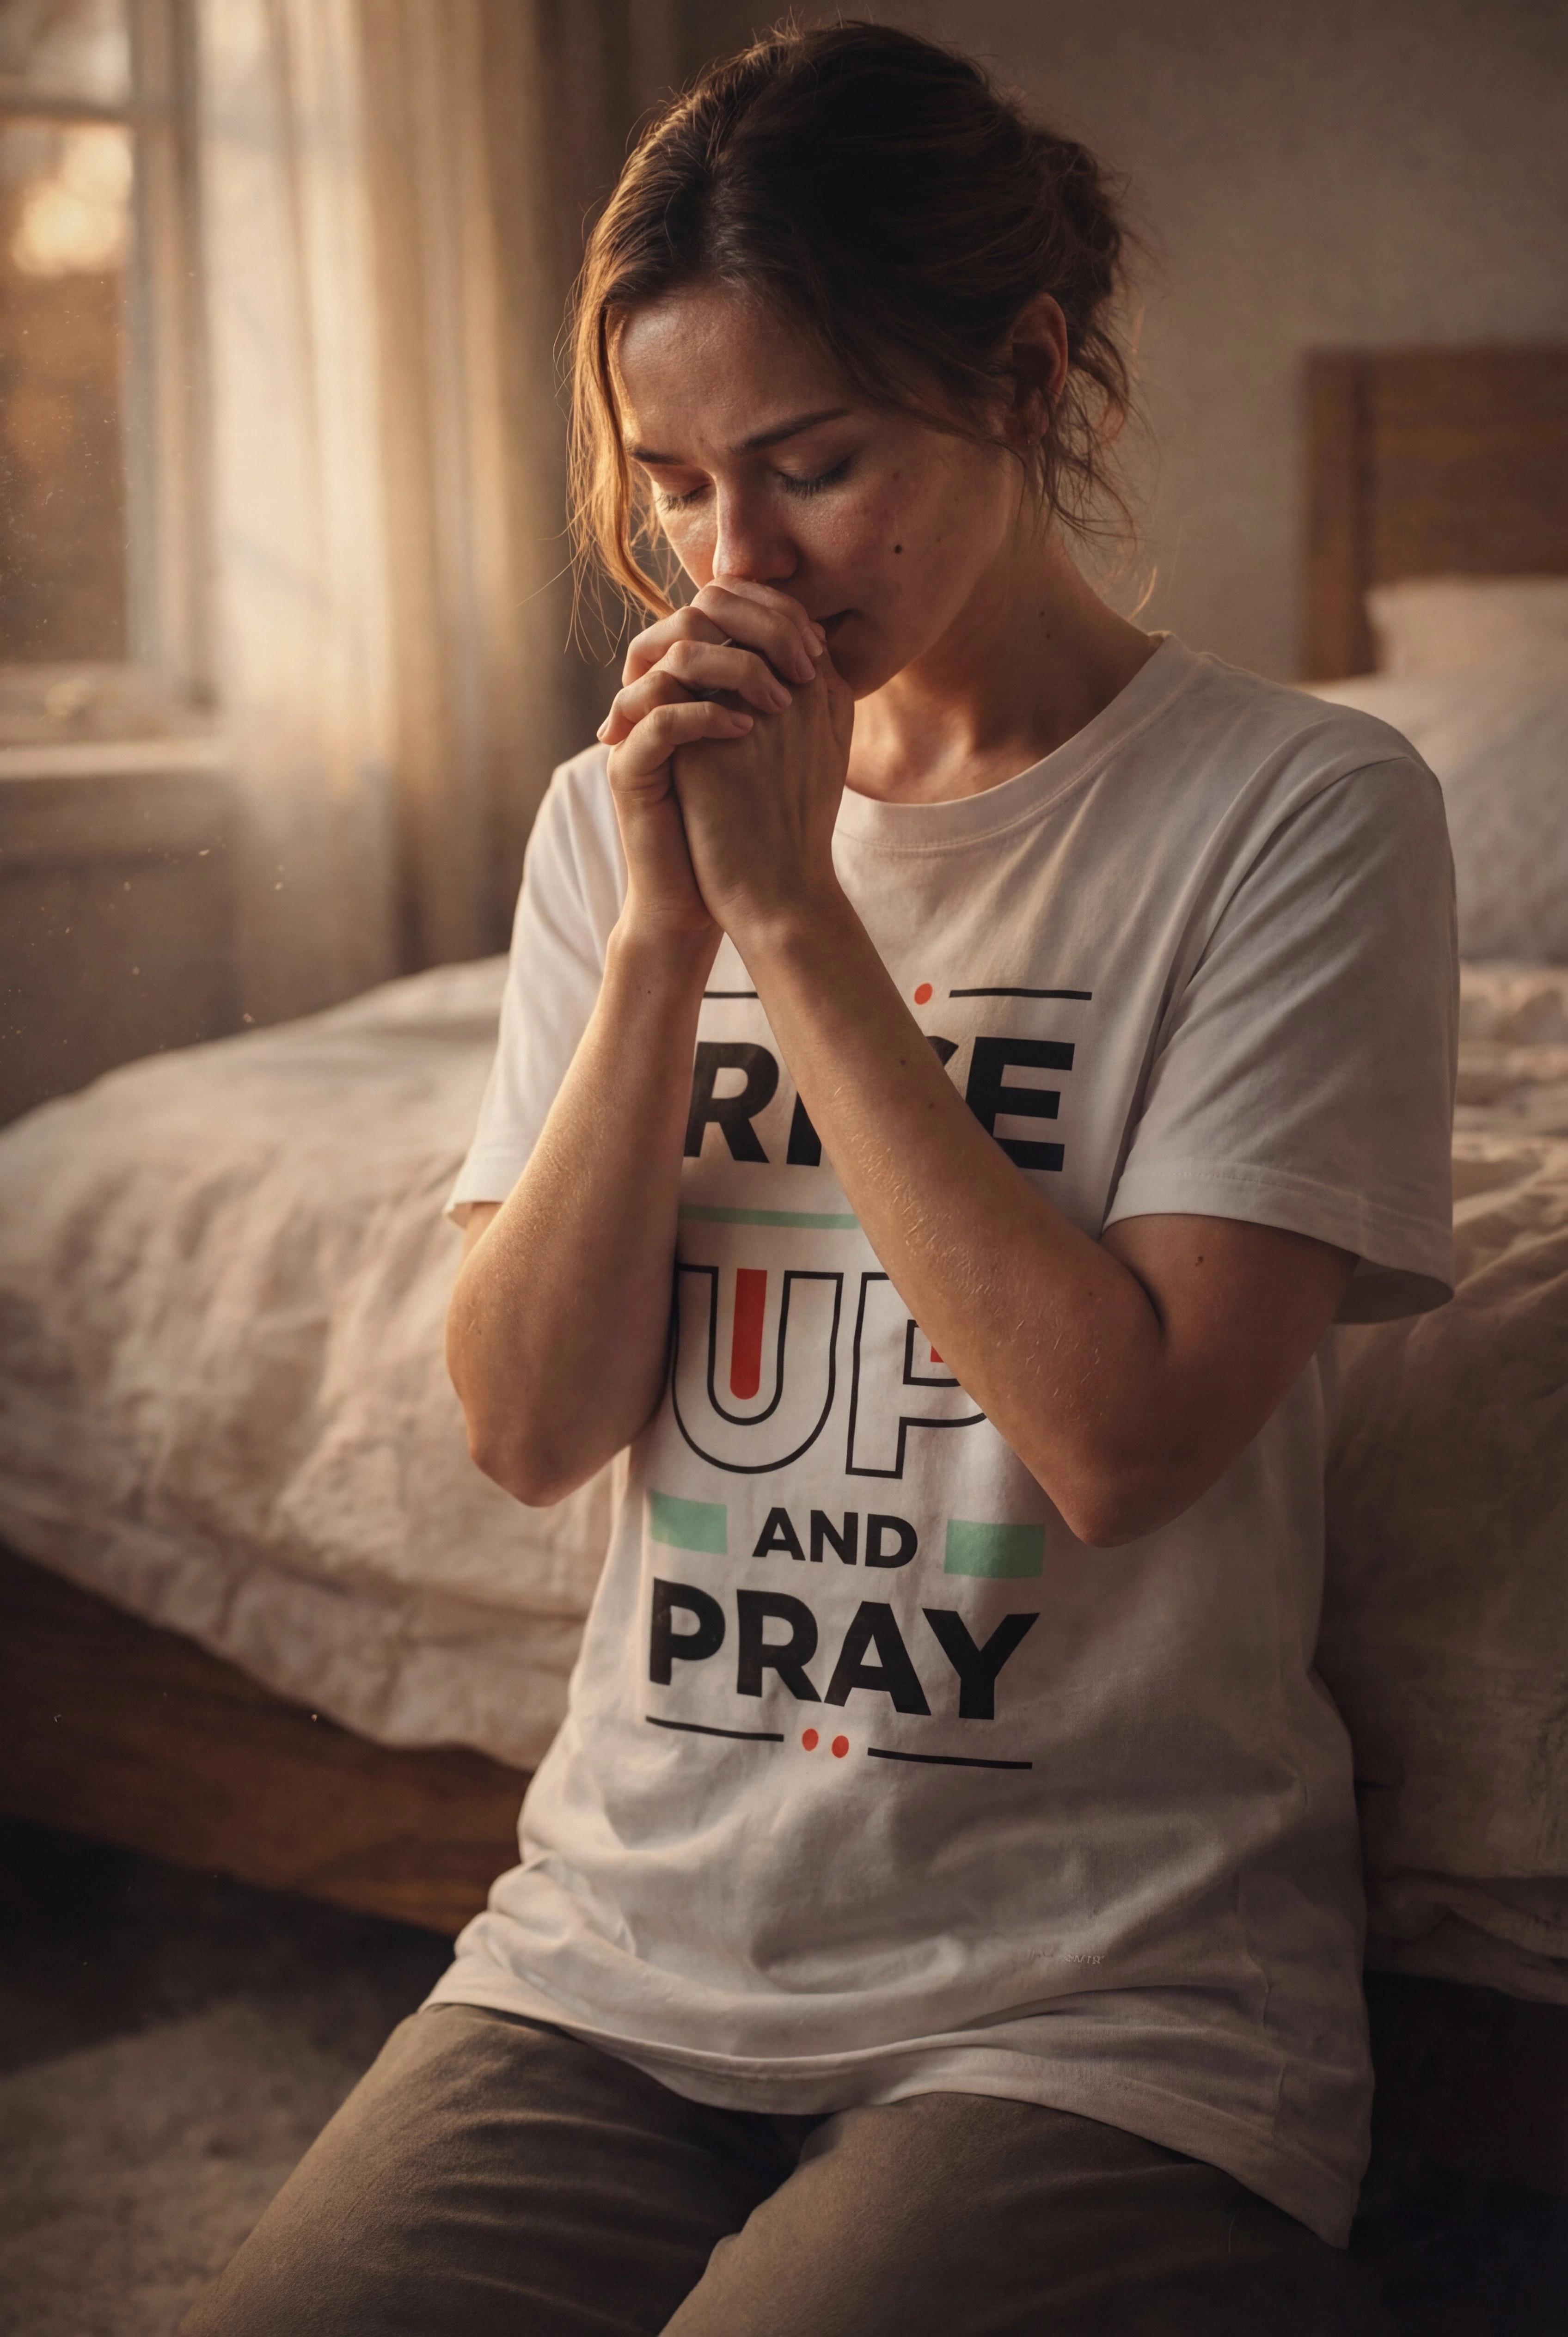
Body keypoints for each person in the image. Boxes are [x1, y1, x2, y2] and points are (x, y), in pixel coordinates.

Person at [184, 22, 1454, 2335]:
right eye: (675, 484)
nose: (731, 560)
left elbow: (1122, 1441)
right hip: (617, 1938)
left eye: (812, 464)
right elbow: (524, 1424)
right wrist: (670, 931)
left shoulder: (1301, 811)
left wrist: (797, 920)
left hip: (1095, 2004)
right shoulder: (616, 825)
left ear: (1024, 371)